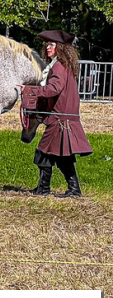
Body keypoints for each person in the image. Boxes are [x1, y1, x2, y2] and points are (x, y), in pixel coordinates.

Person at [22, 30, 92, 197]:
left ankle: (46, 189)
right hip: (61, 119)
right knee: (61, 156)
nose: (48, 47)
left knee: (43, 153)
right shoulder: (62, 65)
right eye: (47, 45)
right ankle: (71, 189)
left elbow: (54, 89)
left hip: (60, 120)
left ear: (60, 48)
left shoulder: (59, 66)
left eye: (51, 45)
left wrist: (30, 90)